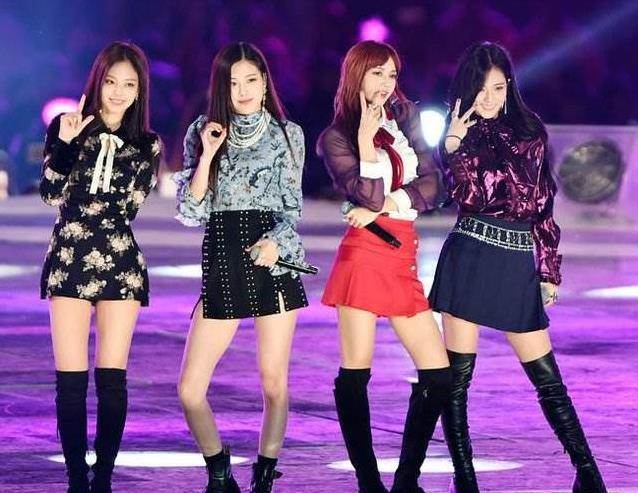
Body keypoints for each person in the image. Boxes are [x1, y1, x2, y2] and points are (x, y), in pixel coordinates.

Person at [429, 41, 607, 493]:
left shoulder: (530, 132)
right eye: (481, 90)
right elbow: (469, 199)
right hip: (470, 256)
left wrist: (548, 269)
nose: (489, 98)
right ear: (466, 90)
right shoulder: (460, 137)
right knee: (457, 381)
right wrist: (453, 146)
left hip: (514, 261)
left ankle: (589, 475)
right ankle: (465, 478)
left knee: (548, 378)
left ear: (509, 86)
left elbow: (543, 205)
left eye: (498, 88)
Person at [174, 42, 309, 493]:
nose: (244, 90)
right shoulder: (202, 131)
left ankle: (265, 476)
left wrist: (276, 241)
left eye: (251, 80)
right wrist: (208, 154)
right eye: (233, 83)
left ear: (265, 82)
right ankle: (219, 471)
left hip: (271, 258)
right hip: (224, 257)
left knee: (273, 382)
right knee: (190, 389)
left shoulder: (288, 135)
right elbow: (191, 211)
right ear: (220, 87)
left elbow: (292, 209)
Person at [317, 40, 451, 493]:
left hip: (402, 253)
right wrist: (364, 141)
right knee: (356, 372)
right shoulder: (336, 138)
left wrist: (390, 204)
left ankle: (406, 479)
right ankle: (368, 482)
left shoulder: (406, 119)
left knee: (438, 374)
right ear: (356, 75)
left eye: (392, 74)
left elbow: (436, 186)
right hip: (364, 254)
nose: (386, 84)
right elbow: (367, 196)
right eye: (377, 73)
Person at [39, 41, 160, 492]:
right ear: (98, 82)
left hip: (120, 261)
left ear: (139, 90)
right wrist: (66, 145)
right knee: (71, 382)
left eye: (129, 84)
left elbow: (131, 207)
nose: (118, 92)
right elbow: (50, 193)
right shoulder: (65, 125)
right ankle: (76, 478)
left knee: (112, 379)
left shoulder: (147, 144)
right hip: (70, 257)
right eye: (111, 82)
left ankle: (103, 477)